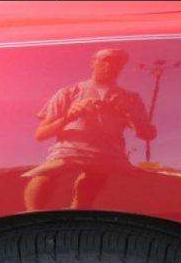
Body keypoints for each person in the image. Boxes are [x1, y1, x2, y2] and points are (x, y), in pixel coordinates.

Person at [24, 48, 156, 210]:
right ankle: (33, 216)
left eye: (117, 63)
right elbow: (40, 134)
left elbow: (148, 135)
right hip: (69, 150)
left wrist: (128, 115)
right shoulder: (68, 92)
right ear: (92, 63)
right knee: (44, 174)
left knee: (97, 178)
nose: (111, 65)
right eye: (105, 60)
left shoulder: (130, 98)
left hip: (109, 154)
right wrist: (70, 116)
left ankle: (77, 213)